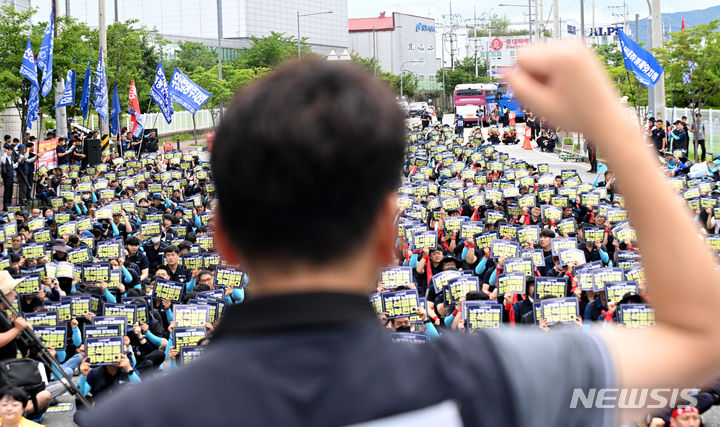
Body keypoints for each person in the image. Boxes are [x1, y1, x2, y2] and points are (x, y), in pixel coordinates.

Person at [77, 42, 720, 426]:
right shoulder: (497, 380)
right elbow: (702, 338)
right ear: (392, 235)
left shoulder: (130, 419)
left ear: (222, 239)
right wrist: (610, 124)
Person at [1, 144, 17, 211]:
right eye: (9, 150)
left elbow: (13, 166)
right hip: (6, 177)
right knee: (7, 191)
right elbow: (3, 161)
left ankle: (9, 204)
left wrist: (18, 162)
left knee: (10, 191)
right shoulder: (4, 158)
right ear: (6, 151)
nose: (10, 151)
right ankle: (5, 205)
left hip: (11, 176)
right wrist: (5, 152)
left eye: (11, 150)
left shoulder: (11, 158)